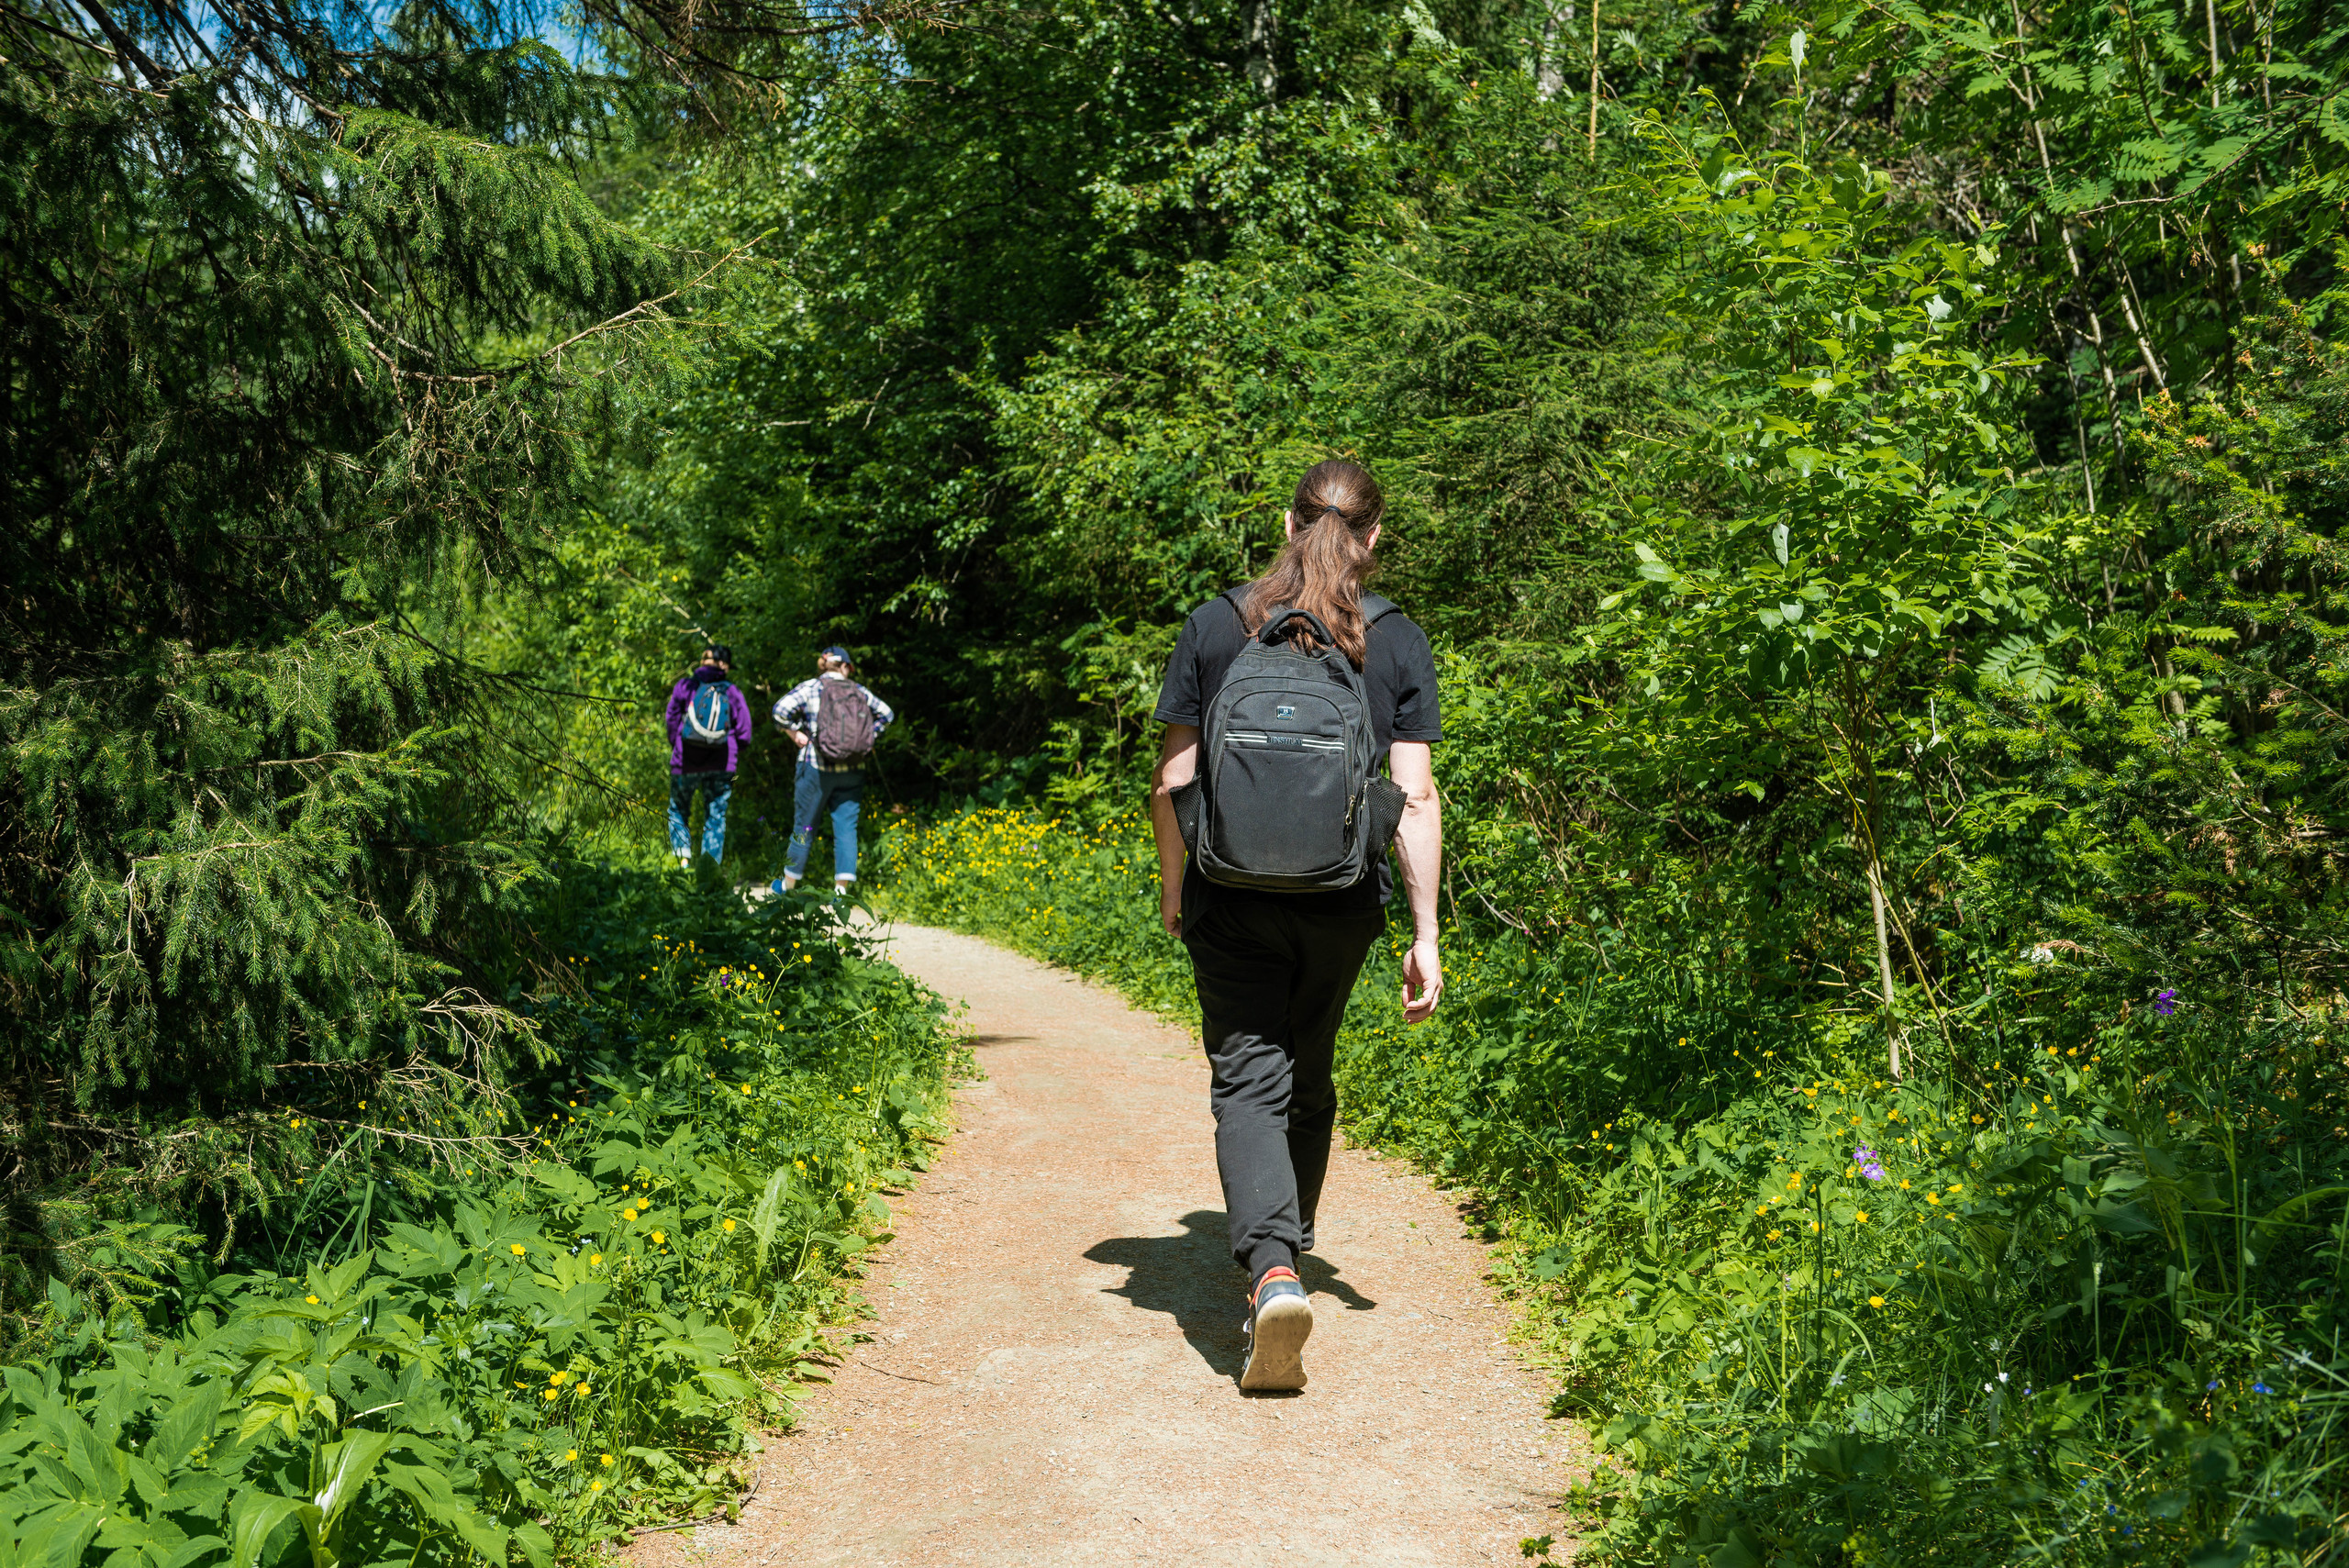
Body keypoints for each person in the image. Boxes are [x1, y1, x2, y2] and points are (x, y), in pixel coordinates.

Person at [1148, 459, 1445, 1392]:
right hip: (1340, 899)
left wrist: (1174, 885)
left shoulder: (1215, 624)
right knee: (1304, 1074)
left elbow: (1171, 783)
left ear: (1285, 521)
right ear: (1374, 535)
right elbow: (1416, 793)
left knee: (1248, 1077)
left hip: (1229, 896)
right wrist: (1425, 929)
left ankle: (1271, 1265)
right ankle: (1287, 1253)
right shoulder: (1391, 639)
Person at [770, 645, 895, 894]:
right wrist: (868, 738)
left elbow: (779, 711)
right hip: (853, 769)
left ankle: (788, 887)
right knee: (847, 829)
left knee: (804, 827)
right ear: (846, 666)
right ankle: (841, 893)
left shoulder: (811, 687)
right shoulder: (859, 691)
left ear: (823, 664)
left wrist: (794, 731)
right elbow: (887, 714)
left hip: (816, 766)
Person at [666, 644, 753, 869]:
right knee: (715, 817)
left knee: (678, 809)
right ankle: (709, 872)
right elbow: (745, 733)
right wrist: (731, 751)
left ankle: (682, 861)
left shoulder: (685, 686)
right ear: (722, 665)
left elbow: (672, 720)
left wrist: (678, 744)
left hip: (685, 761)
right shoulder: (731, 691)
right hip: (721, 764)